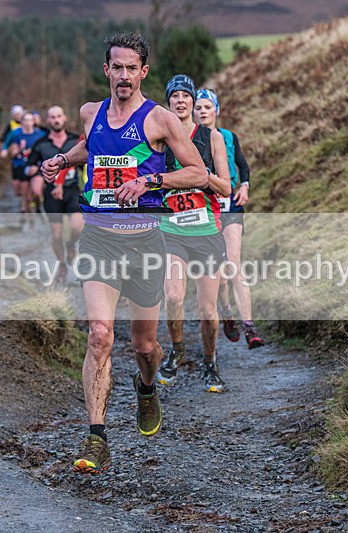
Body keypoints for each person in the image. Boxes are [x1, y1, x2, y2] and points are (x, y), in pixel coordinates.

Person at [40, 32, 207, 474]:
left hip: (145, 242)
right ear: (106, 70)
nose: (124, 76)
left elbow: (198, 172)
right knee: (99, 334)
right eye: (117, 67)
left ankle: (147, 387)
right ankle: (97, 439)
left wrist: (149, 182)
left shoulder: (160, 120)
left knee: (144, 345)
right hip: (98, 238)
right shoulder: (90, 113)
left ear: (144, 72)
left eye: (132, 68)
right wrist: (62, 160)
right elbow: (90, 148)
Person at [155, 75, 232, 393]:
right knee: (173, 295)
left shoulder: (210, 136)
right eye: (175, 97)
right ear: (169, 102)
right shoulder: (159, 137)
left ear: (193, 101)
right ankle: (176, 350)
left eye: (187, 96)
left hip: (206, 230)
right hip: (172, 228)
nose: (182, 101)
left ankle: (211, 362)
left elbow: (226, 186)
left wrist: (202, 177)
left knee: (206, 308)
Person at [193, 88, 265, 349]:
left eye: (207, 107)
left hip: (229, 205)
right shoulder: (188, 138)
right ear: (192, 111)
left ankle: (250, 327)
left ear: (216, 111)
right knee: (219, 274)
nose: (202, 111)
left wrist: (244, 185)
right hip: (202, 208)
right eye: (198, 107)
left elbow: (243, 165)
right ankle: (226, 312)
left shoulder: (228, 137)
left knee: (233, 264)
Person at [25, 106, 84, 283]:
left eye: (59, 116)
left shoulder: (76, 140)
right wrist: (32, 170)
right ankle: (61, 264)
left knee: (77, 227)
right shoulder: (41, 144)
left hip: (72, 190)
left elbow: (85, 162)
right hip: (51, 194)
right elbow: (29, 166)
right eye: (52, 117)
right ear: (48, 121)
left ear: (64, 118)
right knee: (56, 234)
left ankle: (72, 244)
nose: (56, 120)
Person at [7, 112, 46, 220]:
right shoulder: (17, 135)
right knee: (26, 197)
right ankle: (30, 221)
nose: (28, 123)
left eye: (30, 120)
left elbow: (45, 152)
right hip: (21, 167)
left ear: (34, 122)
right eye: (26, 120)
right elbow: (12, 153)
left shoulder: (40, 135)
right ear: (22, 122)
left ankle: (38, 208)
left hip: (36, 167)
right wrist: (20, 148)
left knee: (37, 192)